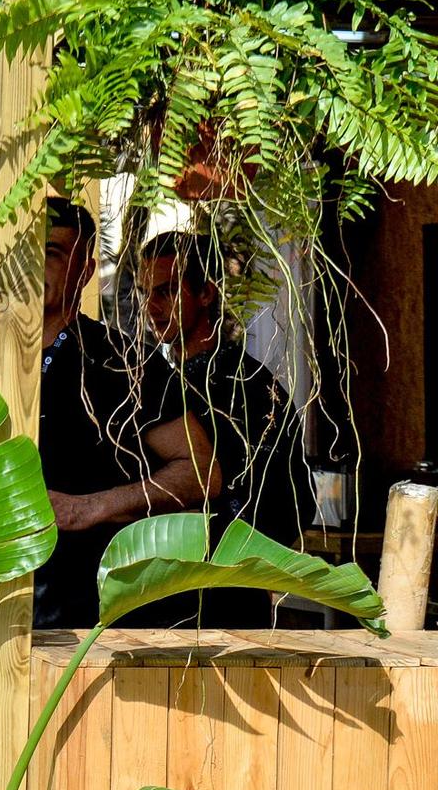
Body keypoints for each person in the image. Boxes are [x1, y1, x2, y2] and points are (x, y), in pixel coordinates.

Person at [33, 199, 222, 628]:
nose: (35, 265)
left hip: (94, 613)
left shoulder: (121, 361)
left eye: (53, 253)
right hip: (0, 602)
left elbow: (201, 473)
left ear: (84, 271)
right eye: (28, 251)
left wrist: (90, 508)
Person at [136, 229, 315, 625]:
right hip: (159, 595)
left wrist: (232, 557)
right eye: (145, 293)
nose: (152, 307)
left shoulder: (248, 385)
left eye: (166, 291)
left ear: (206, 294)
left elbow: (293, 501)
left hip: (227, 601)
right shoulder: (156, 383)